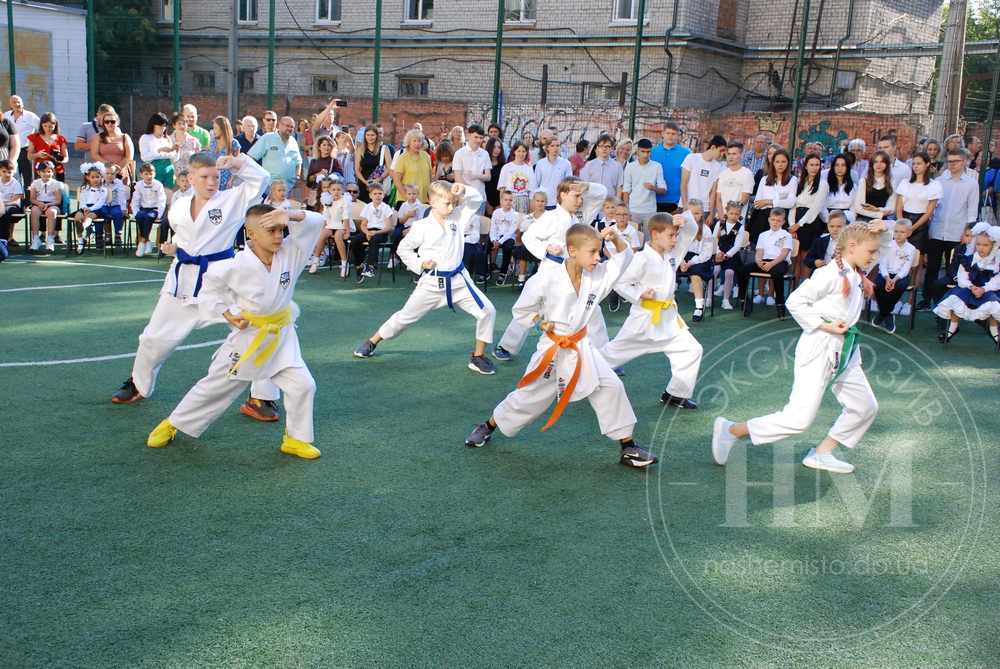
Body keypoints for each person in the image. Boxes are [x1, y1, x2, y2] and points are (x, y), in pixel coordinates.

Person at [464, 223, 657, 468]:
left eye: (600, 252)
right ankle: (488, 426)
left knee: (611, 386)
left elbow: (625, 257)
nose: (599, 257)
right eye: (593, 252)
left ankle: (628, 447)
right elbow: (523, 309)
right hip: (553, 348)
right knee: (529, 396)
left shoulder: (598, 275)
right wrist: (539, 323)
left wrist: (615, 236)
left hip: (581, 346)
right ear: (573, 250)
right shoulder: (547, 277)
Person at [146, 206, 326, 459]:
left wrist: (290, 214)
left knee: (303, 385)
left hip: (283, 335)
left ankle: (295, 439)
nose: (278, 236)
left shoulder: (292, 252)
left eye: (280, 230)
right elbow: (210, 290)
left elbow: (317, 221)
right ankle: (173, 423)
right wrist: (228, 314)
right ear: (251, 233)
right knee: (217, 386)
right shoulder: (234, 265)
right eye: (270, 230)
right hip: (250, 336)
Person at [111, 151, 277, 414]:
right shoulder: (178, 205)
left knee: (260, 328)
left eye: (215, 177)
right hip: (184, 281)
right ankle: (139, 384)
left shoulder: (232, 199)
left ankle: (261, 396)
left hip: (223, 281)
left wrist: (235, 164)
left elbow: (262, 178)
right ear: (190, 178)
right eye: (204, 177)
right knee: (153, 337)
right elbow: (187, 240)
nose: (211, 183)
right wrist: (172, 248)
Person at [713, 223, 880, 474]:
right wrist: (826, 325)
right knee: (798, 419)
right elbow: (796, 301)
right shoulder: (829, 273)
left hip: (845, 351)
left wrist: (883, 227)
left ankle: (822, 454)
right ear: (853, 248)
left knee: (865, 406)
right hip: (819, 348)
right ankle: (733, 430)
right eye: (871, 251)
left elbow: (883, 246)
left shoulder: (854, 271)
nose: (875, 256)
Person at [353, 181, 498, 375]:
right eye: (446, 203)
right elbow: (403, 248)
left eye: (453, 202)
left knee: (488, 311)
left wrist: (464, 190)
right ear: (432, 202)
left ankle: (478, 357)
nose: (451, 207)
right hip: (431, 283)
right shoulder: (422, 225)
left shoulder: (459, 217)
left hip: (459, 280)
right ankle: (372, 341)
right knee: (404, 318)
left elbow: (476, 200)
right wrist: (420, 264)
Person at [492, 178, 609, 362]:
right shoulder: (551, 216)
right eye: (576, 196)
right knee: (534, 306)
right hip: (553, 268)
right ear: (562, 195)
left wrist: (587, 187)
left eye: (582, 196)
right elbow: (529, 236)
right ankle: (506, 345)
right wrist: (547, 246)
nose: (580, 200)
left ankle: (605, 356)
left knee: (592, 308)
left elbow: (601, 192)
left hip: (578, 270)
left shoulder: (581, 215)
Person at [600, 210, 702, 409]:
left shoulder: (673, 253)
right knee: (612, 354)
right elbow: (620, 282)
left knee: (692, 350)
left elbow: (690, 231)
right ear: (655, 234)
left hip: (669, 319)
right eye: (670, 235)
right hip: (644, 321)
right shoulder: (641, 258)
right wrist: (639, 294)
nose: (675, 240)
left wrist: (686, 219)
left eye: (676, 235)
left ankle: (675, 394)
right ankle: (577, 375)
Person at [918, 147, 980, 312]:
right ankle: (925, 301)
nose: (952, 164)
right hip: (937, 230)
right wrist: (930, 225)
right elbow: (933, 206)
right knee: (932, 267)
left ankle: (948, 304)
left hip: (957, 233)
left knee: (953, 269)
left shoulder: (972, 184)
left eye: (956, 161)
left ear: (964, 162)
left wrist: (966, 232)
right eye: (949, 161)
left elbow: (972, 210)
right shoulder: (939, 181)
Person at [934, 223, 1000, 345]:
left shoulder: (996, 262)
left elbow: (997, 281)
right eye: (979, 244)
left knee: (993, 305)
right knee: (956, 299)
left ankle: (995, 332)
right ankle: (952, 329)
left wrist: (984, 289)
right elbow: (962, 277)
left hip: (987, 289)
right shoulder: (968, 259)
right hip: (970, 287)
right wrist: (971, 286)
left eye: (985, 245)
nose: (981, 248)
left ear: (994, 246)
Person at [737, 207, 793, 318]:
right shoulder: (763, 235)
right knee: (742, 271)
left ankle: (780, 303)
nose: (775, 223)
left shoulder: (786, 235)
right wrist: (758, 260)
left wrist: (772, 264)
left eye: (778, 220)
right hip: (765, 260)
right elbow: (759, 251)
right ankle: (744, 300)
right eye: (773, 220)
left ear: (783, 222)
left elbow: (783, 254)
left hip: (779, 262)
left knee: (777, 273)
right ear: (769, 220)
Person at [870, 220, 918, 334]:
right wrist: (887, 278)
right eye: (896, 231)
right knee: (877, 285)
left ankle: (883, 313)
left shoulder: (911, 249)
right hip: (885, 273)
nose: (899, 234)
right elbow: (882, 264)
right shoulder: (888, 244)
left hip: (899, 276)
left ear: (909, 233)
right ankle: (887, 315)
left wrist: (895, 279)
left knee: (900, 286)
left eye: (902, 232)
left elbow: (906, 269)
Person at [747, 148, 797, 249]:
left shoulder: (792, 180)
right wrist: (780, 201)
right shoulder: (764, 179)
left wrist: (768, 201)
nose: (780, 164)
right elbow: (757, 203)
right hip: (764, 218)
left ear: (788, 163)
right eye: (777, 161)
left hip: (782, 218)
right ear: (773, 163)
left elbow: (790, 203)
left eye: (783, 161)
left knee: (778, 248)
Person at [790, 154, 829, 278]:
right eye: (811, 165)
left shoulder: (822, 184)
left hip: (810, 223)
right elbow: (793, 204)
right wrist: (792, 226)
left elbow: (815, 208)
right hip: (796, 219)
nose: (814, 168)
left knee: (806, 258)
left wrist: (799, 224)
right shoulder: (799, 182)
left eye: (817, 165)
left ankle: (804, 287)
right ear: (805, 166)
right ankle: (793, 290)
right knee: (795, 257)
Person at [676, 200, 715, 322]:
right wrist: (681, 261)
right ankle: (669, 299)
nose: (694, 216)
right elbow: (676, 247)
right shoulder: (680, 228)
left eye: (697, 213)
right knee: (669, 267)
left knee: (695, 273)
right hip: (681, 256)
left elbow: (706, 253)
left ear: (702, 213)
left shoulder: (706, 230)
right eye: (691, 213)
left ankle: (699, 306)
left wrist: (691, 262)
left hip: (700, 260)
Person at [894, 151, 941, 253]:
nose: (915, 166)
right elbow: (899, 206)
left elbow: (929, 211)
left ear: (927, 164)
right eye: (914, 164)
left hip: (920, 224)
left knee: (917, 258)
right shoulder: (905, 183)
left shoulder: (934, 185)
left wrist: (912, 228)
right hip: (904, 219)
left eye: (919, 164)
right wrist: (902, 226)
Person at [350, 181, 396, 281]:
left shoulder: (386, 208)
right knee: (355, 240)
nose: (377, 196)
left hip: (381, 232)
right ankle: (359, 265)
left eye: (380, 193)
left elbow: (389, 227)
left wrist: (375, 233)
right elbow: (363, 225)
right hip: (369, 231)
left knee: (374, 240)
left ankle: (371, 267)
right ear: (370, 195)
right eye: (375, 194)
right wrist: (366, 232)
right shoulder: (368, 207)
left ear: (384, 195)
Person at [622, 137, 666, 240]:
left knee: (649, 241)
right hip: (633, 209)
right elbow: (626, 189)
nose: (645, 155)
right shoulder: (630, 167)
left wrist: (653, 188)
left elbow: (663, 190)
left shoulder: (657, 166)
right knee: (630, 240)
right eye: (642, 151)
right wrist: (627, 210)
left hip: (649, 210)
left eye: (648, 152)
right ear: (637, 151)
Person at [310, 175, 353, 276]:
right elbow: (326, 216)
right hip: (331, 224)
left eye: (339, 189)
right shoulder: (327, 199)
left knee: (338, 236)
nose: (336, 191)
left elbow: (345, 217)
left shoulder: (345, 200)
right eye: (333, 189)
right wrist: (324, 227)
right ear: (329, 190)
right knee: (321, 235)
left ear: (342, 190)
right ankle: (316, 261)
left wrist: (347, 232)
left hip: (342, 225)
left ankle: (344, 263)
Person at [248, 116, 302, 195]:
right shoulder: (268, 138)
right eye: (287, 125)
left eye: (292, 127)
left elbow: (298, 162)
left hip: (287, 187)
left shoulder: (293, 141)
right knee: (269, 207)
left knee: (284, 207)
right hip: (270, 186)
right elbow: (251, 157)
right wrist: (255, 177)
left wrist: (297, 177)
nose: (289, 128)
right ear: (279, 125)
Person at [712, 201, 747, 309]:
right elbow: (714, 240)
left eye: (736, 214)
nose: (733, 216)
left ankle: (726, 299)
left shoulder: (740, 227)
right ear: (727, 212)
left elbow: (738, 245)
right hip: (718, 253)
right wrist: (718, 252)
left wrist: (727, 255)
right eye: (731, 213)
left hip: (732, 255)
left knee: (729, 272)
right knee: (714, 270)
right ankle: (708, 298)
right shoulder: (720, 224)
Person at [650, 122, 690, 213]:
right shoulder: (652, 152)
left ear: (677, 136)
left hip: (676, 202)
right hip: (654, 201)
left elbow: (689, 180)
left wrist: (682, 202)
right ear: (662, 133)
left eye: (673, 134)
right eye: (668, 133)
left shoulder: (686, 154)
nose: (670, 136)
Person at [679, 135, 726, 214]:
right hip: (688, 206)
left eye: (724, 152)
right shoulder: (691, 158)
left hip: (704, 209)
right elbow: (683, 184)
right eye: (721, 150)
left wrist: (711, 213)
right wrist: (685, 206)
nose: (722, 154)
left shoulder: (717, 166)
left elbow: (713, 191)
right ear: (713, 147)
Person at [511, 189, 548, 289]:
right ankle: (521, 280)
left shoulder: (550, 217)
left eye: (542, 201)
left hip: (544, 244)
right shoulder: (528, 217)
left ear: (546, 202)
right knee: (523, 252)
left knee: (541, 254)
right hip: (530, 243)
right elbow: (524, 231)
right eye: (537, 201)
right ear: (534, 202)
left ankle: (542, 280)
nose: (540, 203)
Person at [130, 163, 167, 257]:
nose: (149, 176)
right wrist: (135, 212)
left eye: (151, 173)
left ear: (154, 174)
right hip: (144, 208)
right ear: (141, 175)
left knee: (148, 217)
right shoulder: (139, 185)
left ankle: (142, 244)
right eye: (146, 174)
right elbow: (135, 199)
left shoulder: (158, 185)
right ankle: (148, 241)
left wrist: (159, 214)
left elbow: (162, 200)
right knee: (140, 216)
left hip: (154, 209)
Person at [73, 162, 111, 252]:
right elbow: (82, 200)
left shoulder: (103, 189)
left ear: (101, 177)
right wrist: (84, 208)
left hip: (97, 209)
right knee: (78, 216)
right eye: (93, 177)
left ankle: (83, 226)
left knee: (89, 216)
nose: (95, 179)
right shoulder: (84, 188)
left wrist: (90, 209)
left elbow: (100, 202)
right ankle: (80, 241)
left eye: (97, 177)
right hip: (86, 208)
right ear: (87, 177)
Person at [27, 161, 65, 252]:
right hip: (39, 203)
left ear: (53, 172)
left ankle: (50, 239)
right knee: (34, 211)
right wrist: (39, 203)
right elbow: (32, 199)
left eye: (49, 171)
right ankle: (36, 239)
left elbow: (58, 200)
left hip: (53, 204)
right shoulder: (35, 183)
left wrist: (47, 205)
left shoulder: (57, 184)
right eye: (43, 171)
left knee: (52, 212)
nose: (46, 174)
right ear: (39, 172)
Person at [453, 124, 491, 214]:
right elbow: (458, 178)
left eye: (481, 138)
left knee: (478, 223)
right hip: (464, 197)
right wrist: (470, 192)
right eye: (476, 137)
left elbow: (488, 176)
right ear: (468, 135)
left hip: (481, 197)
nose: (479, 140)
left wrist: (476, 176)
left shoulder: (485, 154)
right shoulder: (459, 153)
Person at [712, 141, 754, 223]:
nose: (731, 157)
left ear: (741, 155)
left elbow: (745, 198)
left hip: (737, 218)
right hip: (721, 217)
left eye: (734, 154)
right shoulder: (722, 173)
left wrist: (733, 213)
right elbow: (718, 197)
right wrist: (721, 213)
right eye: (729, 154)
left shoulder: (747, 174)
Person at [851, 150, 896, 224]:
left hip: (881, 222)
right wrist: (880, 214)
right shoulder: (863, 182)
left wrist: (877, 209)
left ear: (886, 164)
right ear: (872, 164)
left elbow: (891, 209)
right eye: (876, 162)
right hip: (863, 221)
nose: (878, 164)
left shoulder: (891, 183)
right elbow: (858, 208)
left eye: (882, 162)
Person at [90, 110, 134, 185]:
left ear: (117, 122)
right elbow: (94, 154)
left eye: (112, 121)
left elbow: (129, 157)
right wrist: (109, 166)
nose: (109, 124)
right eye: (106, 122)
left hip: (120, 172)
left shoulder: (125, 137)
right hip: (103, 172)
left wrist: (116, 168)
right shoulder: (98, 137)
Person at [4, 95, 39, 186]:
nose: (17, 104)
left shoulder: (30, 116)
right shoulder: (6, 116)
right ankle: (16, 199)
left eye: (19, 102)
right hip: (10, 151)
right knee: (12, 176)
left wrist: (35, 146)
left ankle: (29, 199)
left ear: (23, 104)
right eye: (14, 102)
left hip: (26, 151)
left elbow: (42, 130)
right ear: (10, 104)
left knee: (29, 178)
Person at [390, 182, 425, 269]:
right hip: (405, 225)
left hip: (415, 227)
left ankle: (412, 260)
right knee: (396, 234)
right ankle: (394, 256)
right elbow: (401, 221)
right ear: (405, 194)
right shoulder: (404, 205)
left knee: (412, 237)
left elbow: (420, 221)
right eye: (409, 194)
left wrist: (410, 229)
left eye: (414, 193)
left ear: (418, 194)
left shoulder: (420, 206)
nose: (412, 196)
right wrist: (407, 215)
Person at [139, 112, 177, 190]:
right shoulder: (146, 138)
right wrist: (159, 151)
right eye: (160, 125)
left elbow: (174, 158)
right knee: (154, 193)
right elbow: (144, 157)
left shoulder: (166, 138)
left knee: (168, 193)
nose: (162, 128)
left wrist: (175, 150)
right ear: (153, 125)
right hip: (154, 168)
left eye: (164, 126)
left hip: (168, 168)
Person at [26, 113, 68, 183]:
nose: (47, 129)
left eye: (50, 126)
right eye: (45, 126)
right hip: (41, 171)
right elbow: (29, 156)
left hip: (57, 170)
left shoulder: (61, 139)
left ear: (55, 125)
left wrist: (60, 160)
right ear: (41, 125)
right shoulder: (35, 138)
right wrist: (38, 155)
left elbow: (66, 157)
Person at [580, 133, 625, 200]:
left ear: (612, 148)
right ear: (597, 148)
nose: (604, 149)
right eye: (601, 146)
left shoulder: (617, 166)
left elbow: (619, 189)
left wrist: (616, 205)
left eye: (607, 146)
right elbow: (585, 186)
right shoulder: (589, 165)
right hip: (592, 204)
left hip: (610, 205)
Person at [497, 139, 536, 215]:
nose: (521, 154)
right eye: (519, 151)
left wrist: (531, 208)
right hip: (510, 199)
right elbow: (502, 188)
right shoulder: (507, 167)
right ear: (514, 151)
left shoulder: (529, 169)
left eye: (523, 151)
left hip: (524, 200)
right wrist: (502, 204)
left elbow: (531, 191)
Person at [533, 136, 573, 208]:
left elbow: (568, 185)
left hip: (560, 203)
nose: (555, 148)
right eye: (552, 145)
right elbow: (535, 183)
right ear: (547, 147)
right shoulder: (540, 163)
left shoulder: (566, 164)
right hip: (544, 202)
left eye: (557, 145)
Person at [354, 125, 391, 203]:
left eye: (372, 135)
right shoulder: (360, 150)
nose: (370, 137)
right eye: (368, 135)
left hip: (379, 184)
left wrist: (379, 179)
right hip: (364, 184)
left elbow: (389, 167)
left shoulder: (384, 148)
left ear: (377, 136)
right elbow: (357, 169)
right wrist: (365, 182)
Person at [307, 135, 344, 207]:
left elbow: (341, 179)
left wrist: (329, 177)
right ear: (319, 147)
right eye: (324, 145)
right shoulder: (314, 161)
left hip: (330, 195)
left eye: (329, 145)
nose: (326, 147)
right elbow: (308, 182)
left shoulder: (335, 161)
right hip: (316, 194)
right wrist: (317, 175)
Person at [490, 190, 519, 280]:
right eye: (505, 199)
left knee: (508, 248)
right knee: (485, 247)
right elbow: (493, 228)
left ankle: (503, 272)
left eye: (510, 200)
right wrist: (493, 240)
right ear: (501, 200)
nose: (507, 202)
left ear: (513, 202)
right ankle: (485, 272)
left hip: (508, 237)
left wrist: (500, 242)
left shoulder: (515, 215)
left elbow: (511, 231)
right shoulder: (496, 212)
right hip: (496, 236)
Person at [208, 116, 241, 190]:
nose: (214, 130)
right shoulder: (213, 142)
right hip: (214, 178)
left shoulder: (233, 143)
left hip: (227, 180)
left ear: (222, 128)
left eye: (216, 128)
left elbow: (237, 165)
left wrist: (232, 180)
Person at [824, 154, 857, 224]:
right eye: (837, 165)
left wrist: (850, 220)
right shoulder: (826, 185)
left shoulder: (853, 186)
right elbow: (822, 207)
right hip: (829, 218)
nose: (840, 168)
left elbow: (854, 206)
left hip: (847, 218)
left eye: (843, 165)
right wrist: (829, 220)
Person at [100, 164, 128, 246]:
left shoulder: (119, 183)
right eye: (107, 173)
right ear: (103, 174)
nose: (109, 176)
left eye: (112, 174)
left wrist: (123, 209)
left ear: (115, 174)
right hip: (103, 204)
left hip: (115, 204)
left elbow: (121, 197)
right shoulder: (99, 182)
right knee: (102, 213)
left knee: (117, 214)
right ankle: (105, 236)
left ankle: (118, 236)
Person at [0, 159, 23, 248]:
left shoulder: (16, 183)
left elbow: (16, 201)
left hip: (13, 206)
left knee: (4, 212)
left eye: (9, 172)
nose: (7, 174)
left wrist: (2, 205)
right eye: (4, 171)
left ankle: (5, 238)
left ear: (14, 172)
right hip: (1, 205)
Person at [484, 137, 505, 215]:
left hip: (500, 204)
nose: (497, 150)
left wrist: (502, 204)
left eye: (499, 147)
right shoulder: (484, 166)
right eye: (494, 147)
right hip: (486, 202)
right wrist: (487, 204)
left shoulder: (504, 166)